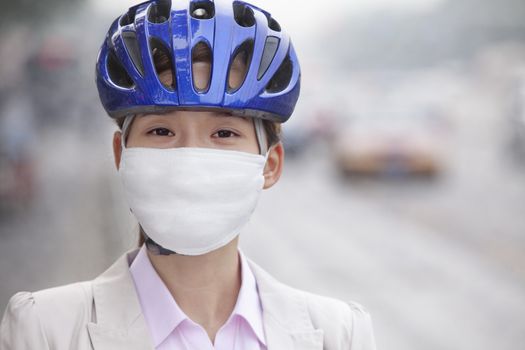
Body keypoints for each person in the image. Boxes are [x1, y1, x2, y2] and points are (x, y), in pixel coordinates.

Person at [0, 0, 377, 349]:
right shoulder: (46, 328)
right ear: (122, 154)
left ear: (271, 164)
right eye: (161, 131)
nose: (189, 157)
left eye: (224, 133)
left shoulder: (338, 333)